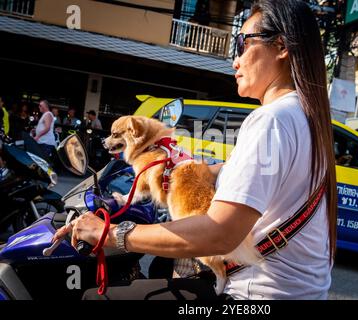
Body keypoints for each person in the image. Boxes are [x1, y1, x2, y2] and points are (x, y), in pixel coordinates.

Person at [53, 0, 337, 300]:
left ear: (281, 46)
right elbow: (237, 174)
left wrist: (110, 234)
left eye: (242, 44)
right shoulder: (306, 119)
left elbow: (218, 233)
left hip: (255, 298)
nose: (235, 61)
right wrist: (179, 168)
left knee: (96, 297)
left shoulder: (272, 119)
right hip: (298, 294)